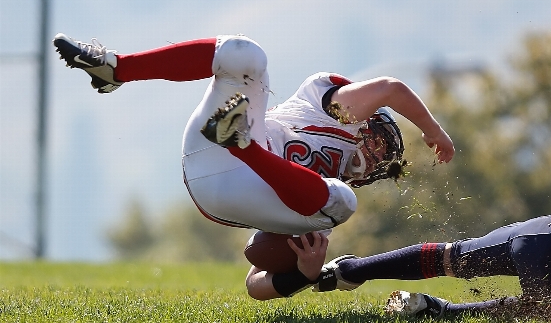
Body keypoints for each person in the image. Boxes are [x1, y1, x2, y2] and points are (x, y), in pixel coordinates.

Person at [53, 32, 453, 239]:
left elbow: (259, 275)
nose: (380, 158)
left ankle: (243, 143)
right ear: (367, 123)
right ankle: (117, 69)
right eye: (383, 143)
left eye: (385, 162)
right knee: (247, 55)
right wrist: (433, 131)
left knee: (341, 205)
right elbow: (391, 89)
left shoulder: (322, 198)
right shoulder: (334, 112)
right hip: (213, 152)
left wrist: (306, 273)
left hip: (241, 190)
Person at [245, 214, 551, 318]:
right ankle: (442, 311)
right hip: (545, 243)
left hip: (541, 233)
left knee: (453, 256)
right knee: (543, 310)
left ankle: (347, 271)